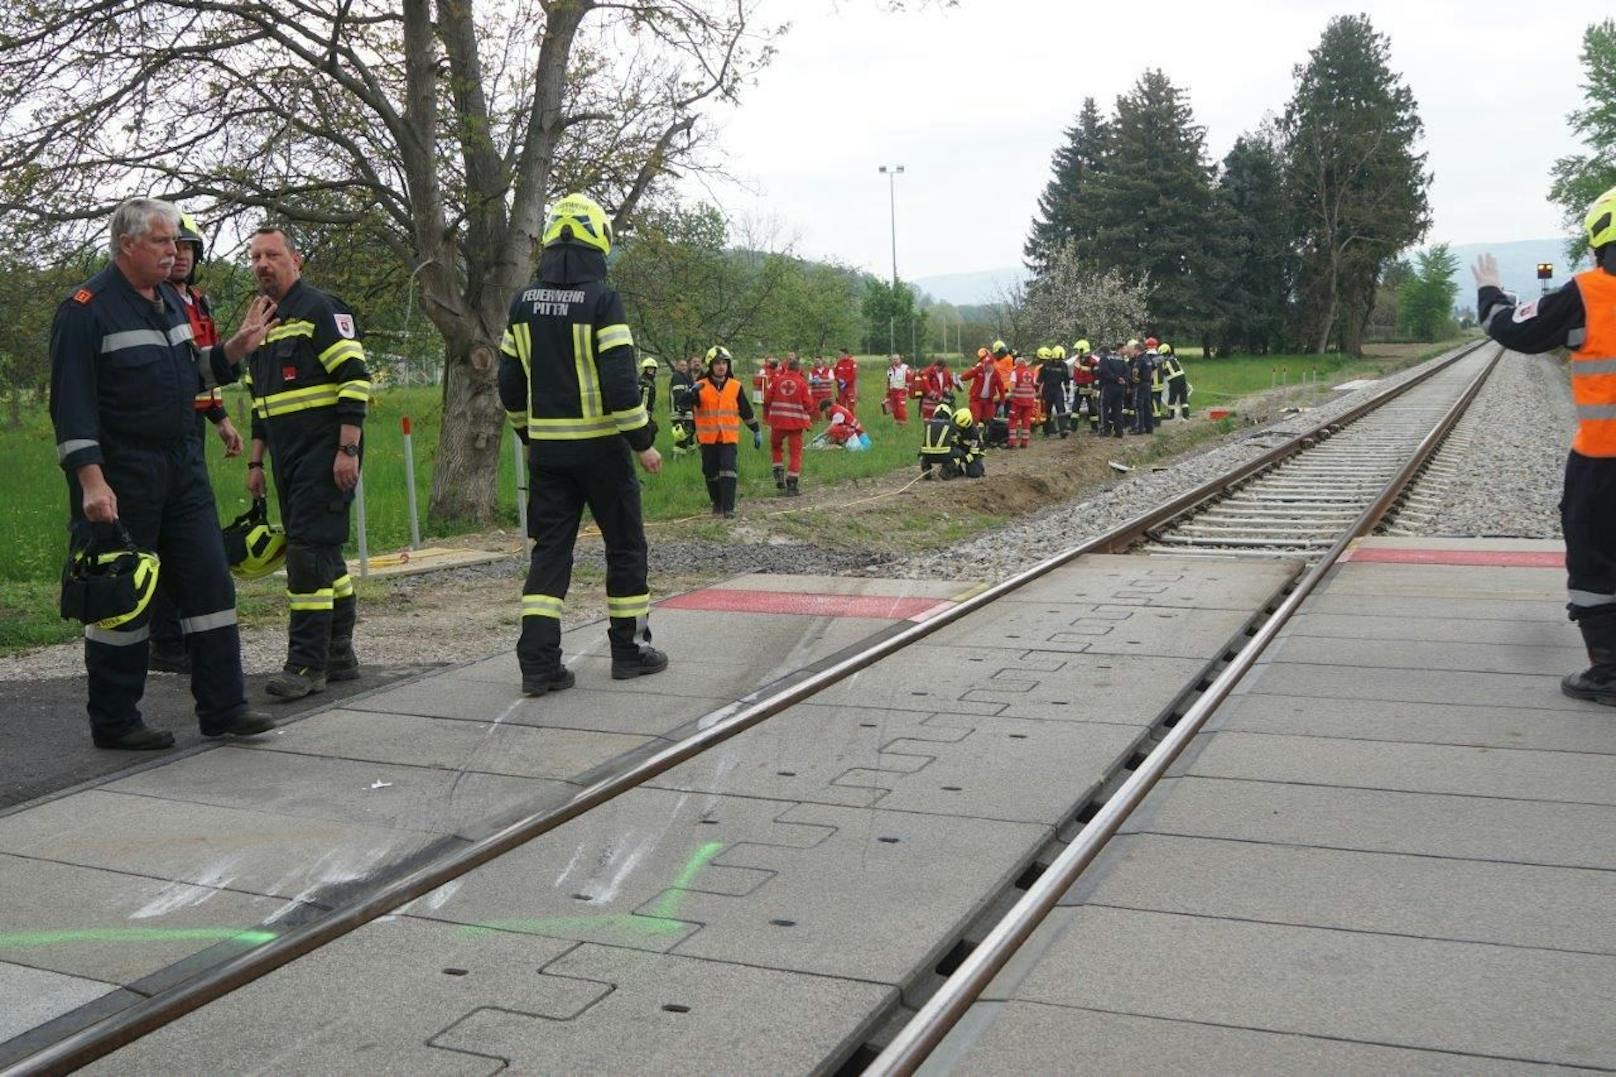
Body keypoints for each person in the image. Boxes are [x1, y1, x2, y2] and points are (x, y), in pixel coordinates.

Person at [49, 197, 276, 749]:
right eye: (162, 242)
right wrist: (91, 481)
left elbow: (190, 374)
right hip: (123, 475)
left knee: (210, 586)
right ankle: (117, 722)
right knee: (123, 596)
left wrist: (233, 350)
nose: (175, 253)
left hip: (183, 468)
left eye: (176, 242)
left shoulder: (171, 302)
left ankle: (224, 709)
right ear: (127, 244)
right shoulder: (86, 309)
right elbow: (71, 406)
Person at [496, 192, 666, 693]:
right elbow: (619, 382)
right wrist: (642, 441)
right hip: (602, 451)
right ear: (598, 242)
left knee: (550, 553)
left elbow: (508, 384)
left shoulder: (522, 303)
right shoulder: (602, 300)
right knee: (625, 548)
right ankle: (629, 651)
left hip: (548, 454)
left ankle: (539, 665)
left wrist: (529, 433)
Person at [1473, 185, 1616, 704]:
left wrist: (1491, 290)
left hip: (1604, 462)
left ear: (1598, 237)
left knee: (1596, 560)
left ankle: (1609, 671)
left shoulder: (1590, 292)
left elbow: (1512, 329)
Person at [237, 226, 370, 701]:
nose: (262, 264)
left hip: (325, 452)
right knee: (320, 551)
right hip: (287, 458)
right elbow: (259, 401)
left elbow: (355, 381)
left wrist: (347, 449)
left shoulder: (321, 309)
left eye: (272, 255)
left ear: (296, 260)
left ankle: (305, 665)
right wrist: (256, 462)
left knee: (306, 555)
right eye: (254, 257)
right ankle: (339, 654)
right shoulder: (263, 323)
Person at [147, 211, 245, 675]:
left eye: (189, 248)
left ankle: (181, 634)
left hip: (190, 431)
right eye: (175, 246)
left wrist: (222, 419)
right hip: (162, 434)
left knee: (189, 542)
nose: (181, 254)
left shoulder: (198, 302)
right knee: (168, 542)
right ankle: (165, 641)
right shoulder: (159, 299)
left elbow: (204, 367)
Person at [692, 345, 762, 516]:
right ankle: (717, 502)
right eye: (717, 363)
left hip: (728, 437)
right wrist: (687, 397)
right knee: (710, 472)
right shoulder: (700, 386)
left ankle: (729, 508)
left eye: (724, 363)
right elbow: (688, 407)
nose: (721, 366)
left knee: (728, 470)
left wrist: (756, 430)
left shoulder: (735, 386)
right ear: (710, 366)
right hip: (707, 438)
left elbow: (745, 410)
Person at [764, 353, 813, 496]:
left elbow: (766, 400)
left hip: (778, 422)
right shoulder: (802, 383)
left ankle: (778, 473)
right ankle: (792, 485)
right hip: (795, 424)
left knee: (776, 447)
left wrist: (767, 418)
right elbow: (809, 405)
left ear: (786, 368)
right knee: (795, 454)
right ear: (799, 369)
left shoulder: (777, 381)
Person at [961, 346, 1006, 427]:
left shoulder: (996, 374)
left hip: (988, 401)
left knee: (989, 420)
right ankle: (974, 435)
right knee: (975, 418)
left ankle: (987, 436)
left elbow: (1001, 389)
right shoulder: (979, 368)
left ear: (992, 365)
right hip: (976, 399)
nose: (985, 366)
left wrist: (1002, 404)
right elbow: (969, 374)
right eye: (984, 364)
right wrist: (960, 378)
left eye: (987, 365)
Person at [1096, 343, 1131, 438]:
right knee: (1118, 409)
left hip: (1108, 387)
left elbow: (1103, 372)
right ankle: (1119, 431)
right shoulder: (1120, 359)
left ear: (1102, 352)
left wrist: (1116, 378)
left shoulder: (1104, 359)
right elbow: (1127, 371)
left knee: (1104, 409)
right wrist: (1123, 379)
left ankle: (1105, 430)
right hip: (1120, 388)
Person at [1037, 345, 1072, 439]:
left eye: (1060, 359)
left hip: (1058, 389)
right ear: (1053, 357)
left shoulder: (1064, 365)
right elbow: (1040, 378)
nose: (1058, 361)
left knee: (1061, 409)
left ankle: (1063, 430)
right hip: (1047, 389)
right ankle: (1046, 431)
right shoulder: (1046, 365)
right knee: (1047, 411)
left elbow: (1066, 379)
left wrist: (1067, 390)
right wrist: (1037, 389)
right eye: (1057, 359)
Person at [918, 398, 958, 478]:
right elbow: (954, 442)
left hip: (927, 455)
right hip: (944, 455)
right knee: (957, 455)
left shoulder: (928, 423)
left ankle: (926, 468)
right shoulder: (950, 424)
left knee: (923, 456)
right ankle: (945, 471)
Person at [1007, 350, 1039, 448]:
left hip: (1018, 401)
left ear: (1016, 363)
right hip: (1029, 401)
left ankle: (1012, 442)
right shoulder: (1031, 373)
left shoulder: (1015, 372)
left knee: (1013, 420)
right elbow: (1034, 386)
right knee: (1026, 421)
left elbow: (1012, 387)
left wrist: (1011, 394)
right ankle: (1024, 442)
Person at [668, 356, 698, 458]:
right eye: (681, 365)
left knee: (689, 434)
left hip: (687, 411)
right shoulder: (677, 377)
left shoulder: (686, 378)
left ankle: (690, 454)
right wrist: (682, 409)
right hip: (680, 412)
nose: (684, 367)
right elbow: (678, 396)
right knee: (682, 435)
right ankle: (676, 457)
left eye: (685, 365)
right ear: (676, 366)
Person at [1130, 340, 1156, 435]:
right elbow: (1153, 369)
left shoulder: (1139, 358)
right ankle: (1149, 427)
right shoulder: (1147, 358)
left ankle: (1138, 428)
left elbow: (1135, 371)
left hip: (1140, 385)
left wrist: (1134, 379)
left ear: (1137, 350)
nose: (1132, 352)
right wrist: (1149, 378)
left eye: (1133, 350)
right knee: (1147, 406)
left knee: (1138, 406)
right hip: (1148, 384)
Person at [1160, 343, 1190, 420]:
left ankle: (1171, 415)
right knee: (1183, 397)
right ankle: (1186, 415)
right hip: (1182, 378)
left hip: (1174, 380)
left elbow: (1161, 371)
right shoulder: (1174, 358)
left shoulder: (1164, 361)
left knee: (1172, 398)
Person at [918, 356, 951, 422]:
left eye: (944, 368)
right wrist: (937, 396)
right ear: (937, 365)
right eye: (941, 368)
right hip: (929, 401)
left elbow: (949, 382)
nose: (942, 370)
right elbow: (926, 387)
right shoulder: (928, 372)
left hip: (940, 401)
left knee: (940, 420)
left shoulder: (945, 372)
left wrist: (947, 388)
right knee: (928, 421)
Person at [883, 353, 912, 424]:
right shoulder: (890, 370)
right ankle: (897, 423)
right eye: (894, 359)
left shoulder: (905, 368)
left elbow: (909, 380)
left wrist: (906, 390)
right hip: (892, 391)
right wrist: (887, 394)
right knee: (894, 408)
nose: (895, 361)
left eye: (897, 359)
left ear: (900, 359)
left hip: (901, 391)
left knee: (901, 408)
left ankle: (903, 424)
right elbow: (889, 381)